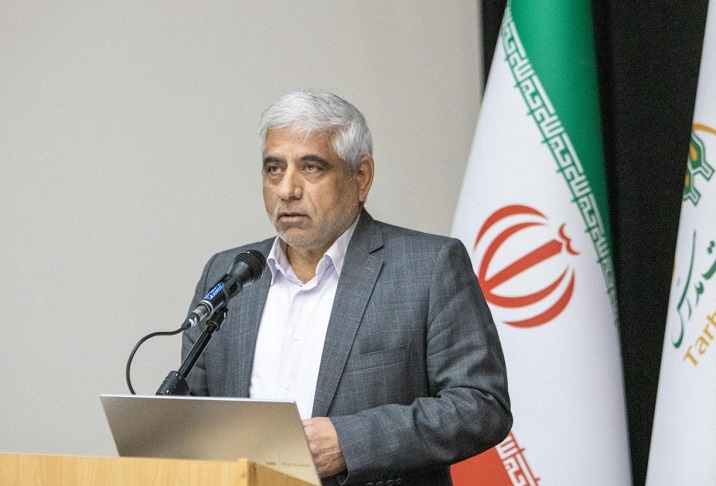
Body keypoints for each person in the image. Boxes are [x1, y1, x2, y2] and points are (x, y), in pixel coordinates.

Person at [182, 89, 511, 486]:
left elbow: (481, 405)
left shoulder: (429, 267)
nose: (287, 189)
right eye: (273, 169)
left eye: (311, 167)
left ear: (361, 177)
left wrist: (350, 443)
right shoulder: (229, 273)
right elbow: (193, 409)